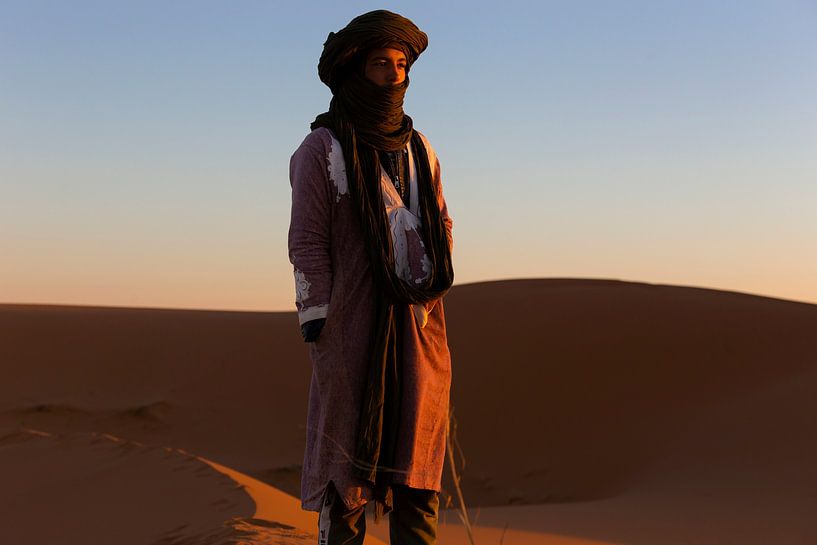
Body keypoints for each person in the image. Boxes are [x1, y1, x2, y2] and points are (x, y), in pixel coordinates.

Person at [287, 9, 455, 545]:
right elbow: (307, 239)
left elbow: (442, 221)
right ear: (355, 68)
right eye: (382, 62)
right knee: (346, 468)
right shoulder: (322, 150)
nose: (394, 74)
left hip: (419, 322)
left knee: (418, 469)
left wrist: (427, 284)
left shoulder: (420, 148)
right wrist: (320, 323)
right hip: (349, 326)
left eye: (401, 63)